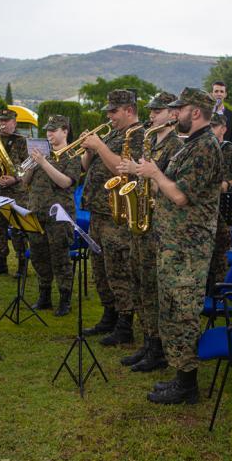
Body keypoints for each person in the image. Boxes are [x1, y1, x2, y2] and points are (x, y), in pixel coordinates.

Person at [134, 87, 223, 404]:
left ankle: (187, 385)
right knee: (171, 311)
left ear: (195, 112)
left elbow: (180, 195)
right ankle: (179, 376)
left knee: (183, 314)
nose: (174, 114)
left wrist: (154, 173)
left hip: (188, 248)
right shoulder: (190, 145)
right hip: (174, 244)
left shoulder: (205, 148)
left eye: (179, 109)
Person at [117, 92, 183, 372]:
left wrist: (142, 172)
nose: (152, 116)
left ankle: (158, 348)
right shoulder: (150, 142)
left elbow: (173, 189)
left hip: (160, 225)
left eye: (157, 111)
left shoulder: (176, 146)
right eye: (151, 111)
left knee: (154, 288)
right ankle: (147, 342)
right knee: (140, 283)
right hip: (142, 221)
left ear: (172, 114)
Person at [80, 89, 145, 345]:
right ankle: (109, 315)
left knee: (119, 269)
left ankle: (125, 324)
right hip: (98, 210)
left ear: (129, 110)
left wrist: (100, 146)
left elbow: (124, 168)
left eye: (114, 111)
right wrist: (88, 149)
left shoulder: (138, 134)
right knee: (100, 269)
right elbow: (84, 167)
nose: (109, 116)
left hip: (117, 214)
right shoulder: (114, 133)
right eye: (108, 111)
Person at [23, 115, 80, 316]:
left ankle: (65, 299)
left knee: (60, 258)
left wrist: (44, 163)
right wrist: (31, 164)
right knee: (38, 256)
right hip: (36, 211)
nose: (49, 134)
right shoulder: (40, 152)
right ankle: (44, 296)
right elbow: (25, 181)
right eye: (48, 130)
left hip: (59, 214)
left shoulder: (72, 155)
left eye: (53, 130)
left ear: (65, 131)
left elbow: (66, 182)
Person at [0, 108, 30, 278]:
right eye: (1, 121)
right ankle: (1, 263)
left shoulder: (21, 141)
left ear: (14, 123)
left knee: (18, 229)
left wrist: (15, 178)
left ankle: (22, 263)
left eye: (7, 121)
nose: (3, 124)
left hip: (17, 192)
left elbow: (27, 165)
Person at [207, 113, 232, 291]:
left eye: (214, 127)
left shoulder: (231, 152)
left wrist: (228, 184)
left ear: (223, 129)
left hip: (222, 212)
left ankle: (217, 294)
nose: (209, 130)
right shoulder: (202, 148)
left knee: (218, 256)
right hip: (202, 210)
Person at [211, 81, 232, 148]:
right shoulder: (205, 113)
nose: (219, 94)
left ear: (225, 94)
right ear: (211, 94)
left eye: (221, 91)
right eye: (216, 91)